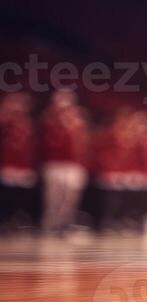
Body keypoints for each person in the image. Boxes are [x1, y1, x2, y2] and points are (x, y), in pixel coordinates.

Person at [38, 90, 89, 236]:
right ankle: (50, 224)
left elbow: (83, 144)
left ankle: (65, 223)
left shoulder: (78, 121)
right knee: (53, 197)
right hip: (54, 163)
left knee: (70, 197)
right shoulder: (49, 119)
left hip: (73, 164)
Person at [0, 94, 36, 232]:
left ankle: (15, 220)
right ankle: (4, 221)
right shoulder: (6, 122)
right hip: (8, 165)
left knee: (19, 197)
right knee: (6, 196)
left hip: (23, 167)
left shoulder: (27, 124)